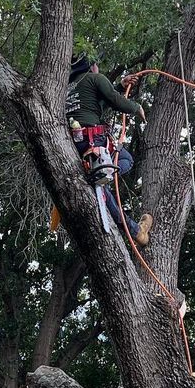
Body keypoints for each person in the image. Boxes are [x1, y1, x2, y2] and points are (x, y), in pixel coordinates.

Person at [66, 54, 153, 245]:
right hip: (93, 139)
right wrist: (136, 107)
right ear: (92, 66)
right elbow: (113, 99)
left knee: (102, 183)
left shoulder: (70, 87)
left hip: (78, 141)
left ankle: (101, 174)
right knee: (125, 160)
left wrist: (121, 85)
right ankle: (135, 231)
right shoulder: (95, 78)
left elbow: (98, 105)